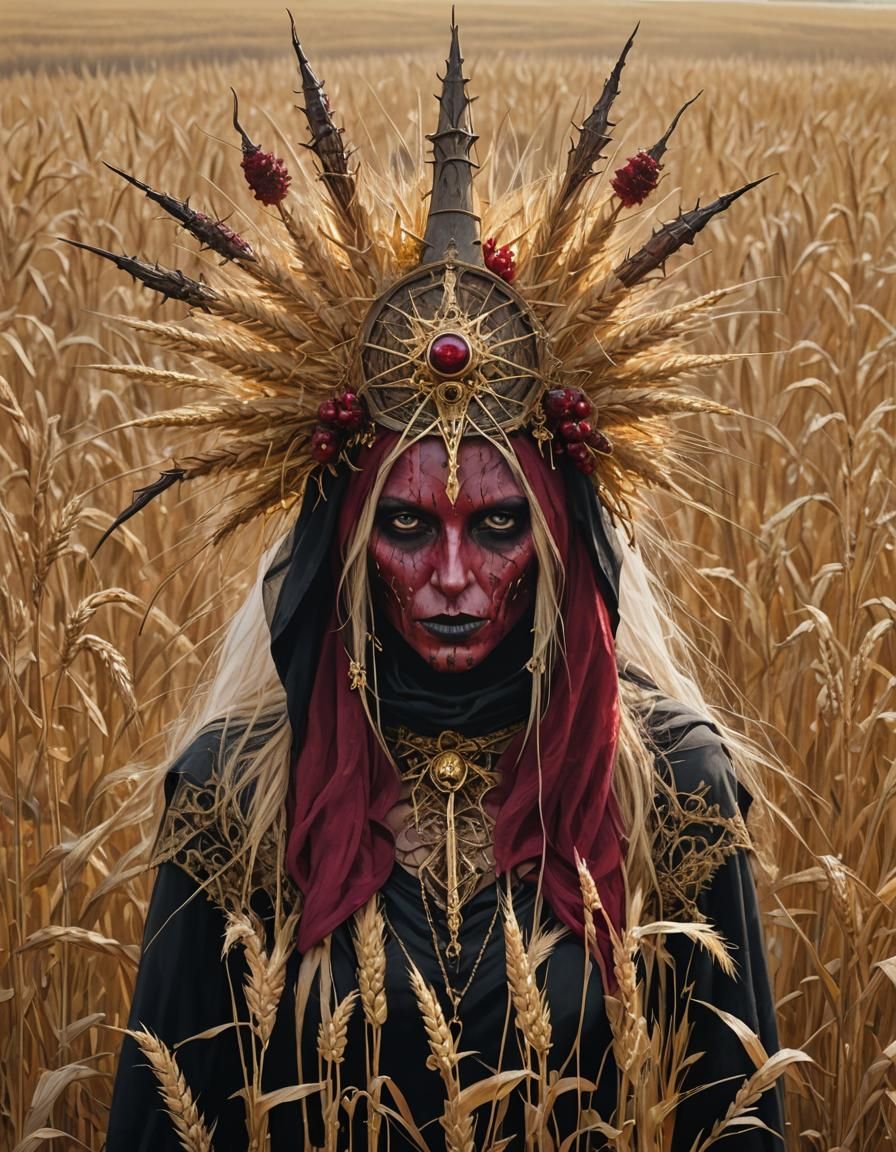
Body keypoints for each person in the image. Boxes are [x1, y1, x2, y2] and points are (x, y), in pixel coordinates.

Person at [82, 15, 784, 1151]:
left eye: (498, 525)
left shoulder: (669, 789)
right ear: (342, 546)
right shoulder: (235, 798)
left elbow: (738, 1118)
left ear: (560, 541)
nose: (451, 576)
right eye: (406, 525)